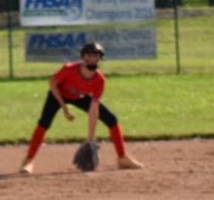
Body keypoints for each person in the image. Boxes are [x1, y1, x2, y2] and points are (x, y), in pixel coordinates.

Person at [20, 41, 145, 174]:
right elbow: (52, 82)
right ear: (83, 57)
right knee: (44, 123)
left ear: (100, 59)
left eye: (96, 56)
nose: (92, 59)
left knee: (111, 120)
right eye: (89, 55)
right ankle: (28, 161)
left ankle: (122, 158)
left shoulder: (100, 80)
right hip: (58, 95)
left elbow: (93, 110)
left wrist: (90, 139)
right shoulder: (69, 69)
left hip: (79, 97)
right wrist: (64, 108)